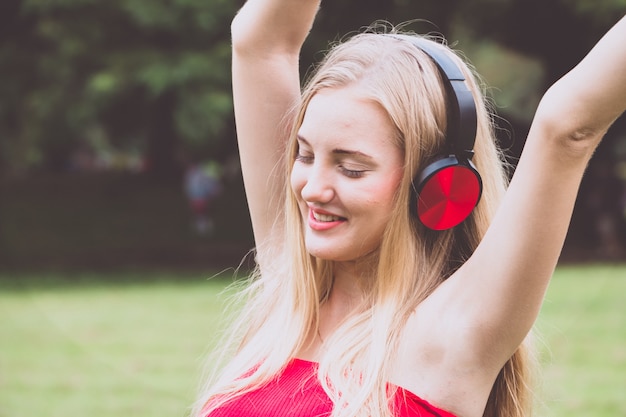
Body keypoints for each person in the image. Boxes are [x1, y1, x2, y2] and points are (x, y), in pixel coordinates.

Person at [192, 1, 626, 416]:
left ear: (437, 186)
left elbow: (568, 125)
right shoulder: (291, 293)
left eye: (352, 168)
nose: (312, 189)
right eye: (304, 155)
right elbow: (259, 41)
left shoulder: (457, 332)